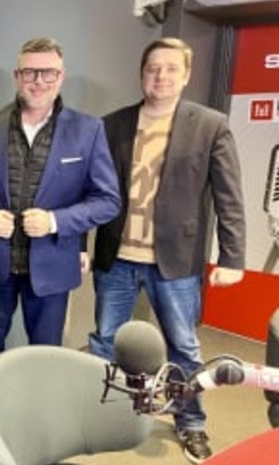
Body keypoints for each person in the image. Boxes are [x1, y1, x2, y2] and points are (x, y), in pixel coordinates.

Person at [89, 37, 246, 464]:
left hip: (175, 262)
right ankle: (107, 416)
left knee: (183, 348)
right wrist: (81, 246)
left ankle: (190, 421)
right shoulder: (112, 125)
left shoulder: (210, 125)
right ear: (142, 73)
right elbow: (92, 190)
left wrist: (232, 257)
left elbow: (229, 197)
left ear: (187, 75)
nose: (161, 76)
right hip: (116, 257)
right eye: (153, 68)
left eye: (171, 68)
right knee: (106, 343)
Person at [0, 37, 121, 368]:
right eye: (30, 72)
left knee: (45, 361)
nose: (38, 81)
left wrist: (55, 221)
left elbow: (108, 201)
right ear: (17, 76)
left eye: (48, 73)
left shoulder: (88, 130)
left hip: (52, 267)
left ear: (61, 76)